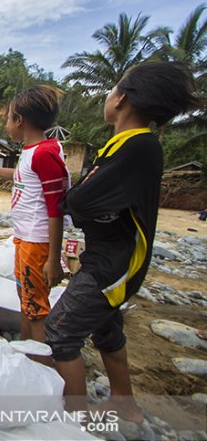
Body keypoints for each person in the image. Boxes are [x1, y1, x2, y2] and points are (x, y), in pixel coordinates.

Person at [44, 62, 200, 422]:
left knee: (60, 331)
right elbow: (89, 199)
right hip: (107, 255)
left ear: (123, 98)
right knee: (105, 326)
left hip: (115, 263)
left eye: (112, 89)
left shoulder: (140, 148)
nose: (108, 96)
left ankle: (75, 420)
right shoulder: (124, 145)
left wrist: (77, 202)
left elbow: (80, 201)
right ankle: (124, 403)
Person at [0, 85, 69, 346]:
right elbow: (20, 176)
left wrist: (54, 259)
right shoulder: (31, 150)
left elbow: (56, 208)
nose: (6, 124)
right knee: (26, 299)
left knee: (36, 308)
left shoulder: (46, 153)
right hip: (23, 239)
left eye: (8, 117)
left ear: (19, 120)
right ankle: (25, 351)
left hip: (37, 242)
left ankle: (40, 362)